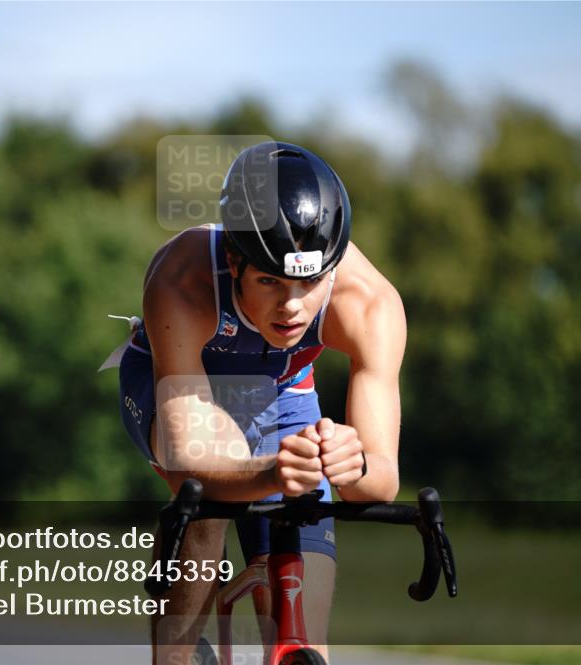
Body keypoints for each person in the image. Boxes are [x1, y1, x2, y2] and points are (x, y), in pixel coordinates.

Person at [112, 141, 406, 664]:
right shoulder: (183, 278)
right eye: (270, 280)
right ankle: (174, 657)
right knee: (207, 499)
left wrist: (347, 461)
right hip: (185, 393)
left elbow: (381, 476)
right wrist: (274, 472)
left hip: (283, 392)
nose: (292, 306)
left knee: (305, 637)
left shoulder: (370, 303)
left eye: (310, 281)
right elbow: (187, 464)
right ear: (234, 260)